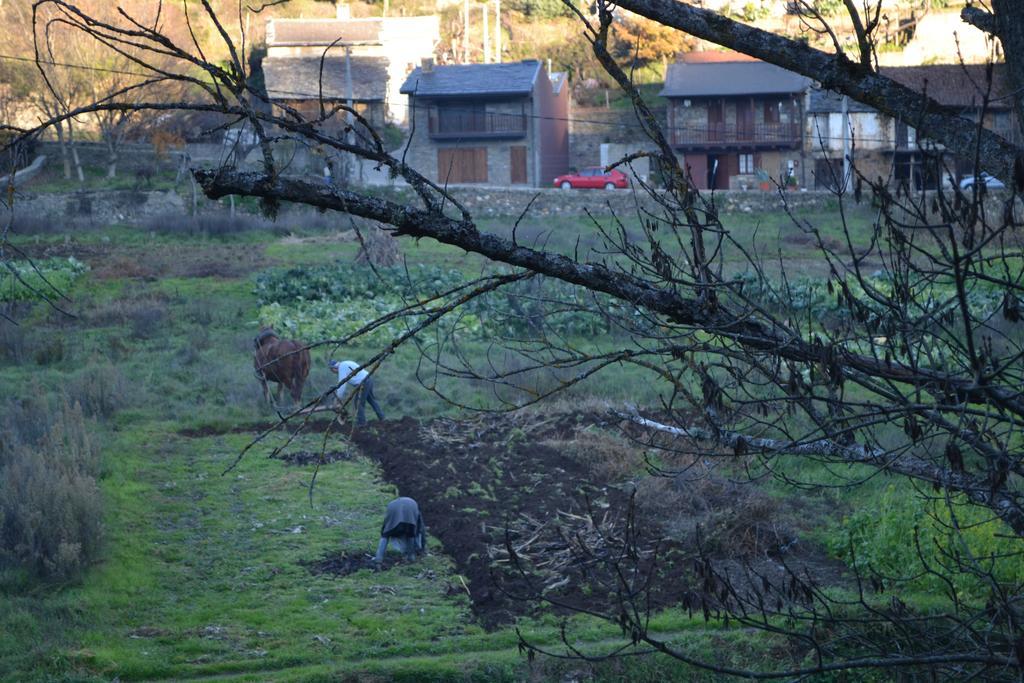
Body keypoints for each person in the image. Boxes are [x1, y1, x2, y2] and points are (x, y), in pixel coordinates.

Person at [328, 359, 385, 425]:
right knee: (372, 400)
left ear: (333, 368)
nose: (333, 372)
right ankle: (382, 418)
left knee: (358, 403)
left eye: (331, 370)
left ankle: (361, 423)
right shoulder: (345, 363)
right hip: (368, 379)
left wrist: (338, 398)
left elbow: (342, 384)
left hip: (363, 382)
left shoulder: (342, 368)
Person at [373, 496, 425, 563]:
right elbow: (419, 531)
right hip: (409, 508)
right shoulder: (417, 512)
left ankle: (378, 559)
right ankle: (411, 558)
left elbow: (386, 522)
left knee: (386, 535)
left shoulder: (392, 504)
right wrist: (421, 548)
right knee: (410, 534)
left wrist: (383, 532)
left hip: (392, 507)